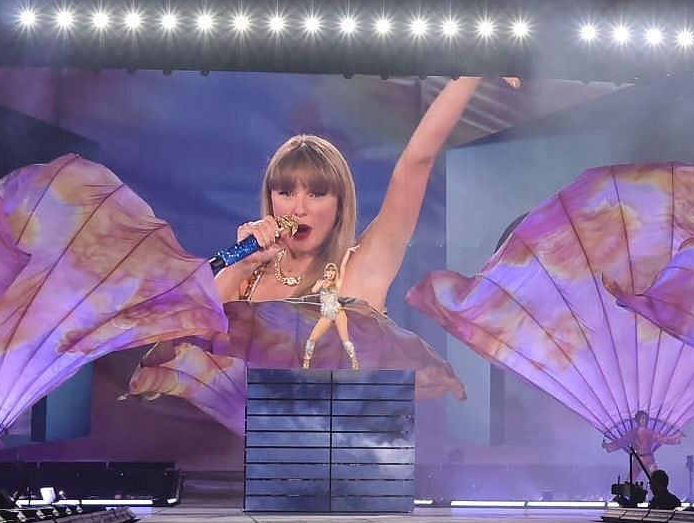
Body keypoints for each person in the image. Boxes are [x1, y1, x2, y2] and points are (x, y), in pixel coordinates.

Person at [217, 76, 508, 312]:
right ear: (270, 198)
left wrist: (473, 70)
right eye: (285, 192)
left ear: (340, 206)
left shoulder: (361, 265)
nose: (298, 209)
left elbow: (416, 162)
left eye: (317, 193)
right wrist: (240, 266)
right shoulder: (248, 277)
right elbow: (192, 334)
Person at [300, 262, 358, 370]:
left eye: (332, 271)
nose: (330, 273)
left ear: (335, 273)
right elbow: (314, 290)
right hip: (326, 315)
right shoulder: (321, 282)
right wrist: (322, 281)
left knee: (345, 340)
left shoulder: (338, 283)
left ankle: (354, 362)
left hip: (338, 312)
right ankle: (306, 364)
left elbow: (343, 266)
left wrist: (348, 252)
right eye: (328, 270)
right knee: (311, 339)